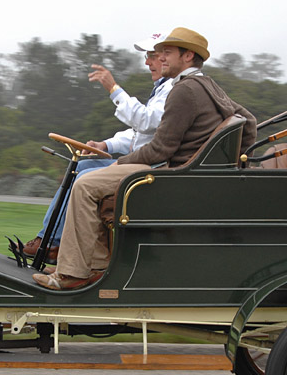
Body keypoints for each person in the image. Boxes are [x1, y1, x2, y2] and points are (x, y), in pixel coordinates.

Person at [33, 27, 258, 290]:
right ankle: (91, 266)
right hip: (184, 172)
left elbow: (160, 149)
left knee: (85, 184)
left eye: (167, 53)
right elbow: (250, 122)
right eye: (160, 53)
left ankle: (72, 274)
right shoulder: (207, 85)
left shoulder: (184, 90)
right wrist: (240, 163)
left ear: (188, 57)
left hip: (172, 175)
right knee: (89, 178)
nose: (160, 58)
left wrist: (120, 163)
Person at [21, 33, 173, 262]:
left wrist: (113, 88)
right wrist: (105, 144)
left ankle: (56, 245)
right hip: (142, 160)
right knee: (87, 163)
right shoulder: (162, 88)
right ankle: (50, 240)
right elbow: (141, 133)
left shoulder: (172, 89)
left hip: (150, 168)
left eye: (152, 56)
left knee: (86, 174)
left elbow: (145, 121)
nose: (147, 62)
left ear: (168, 58)